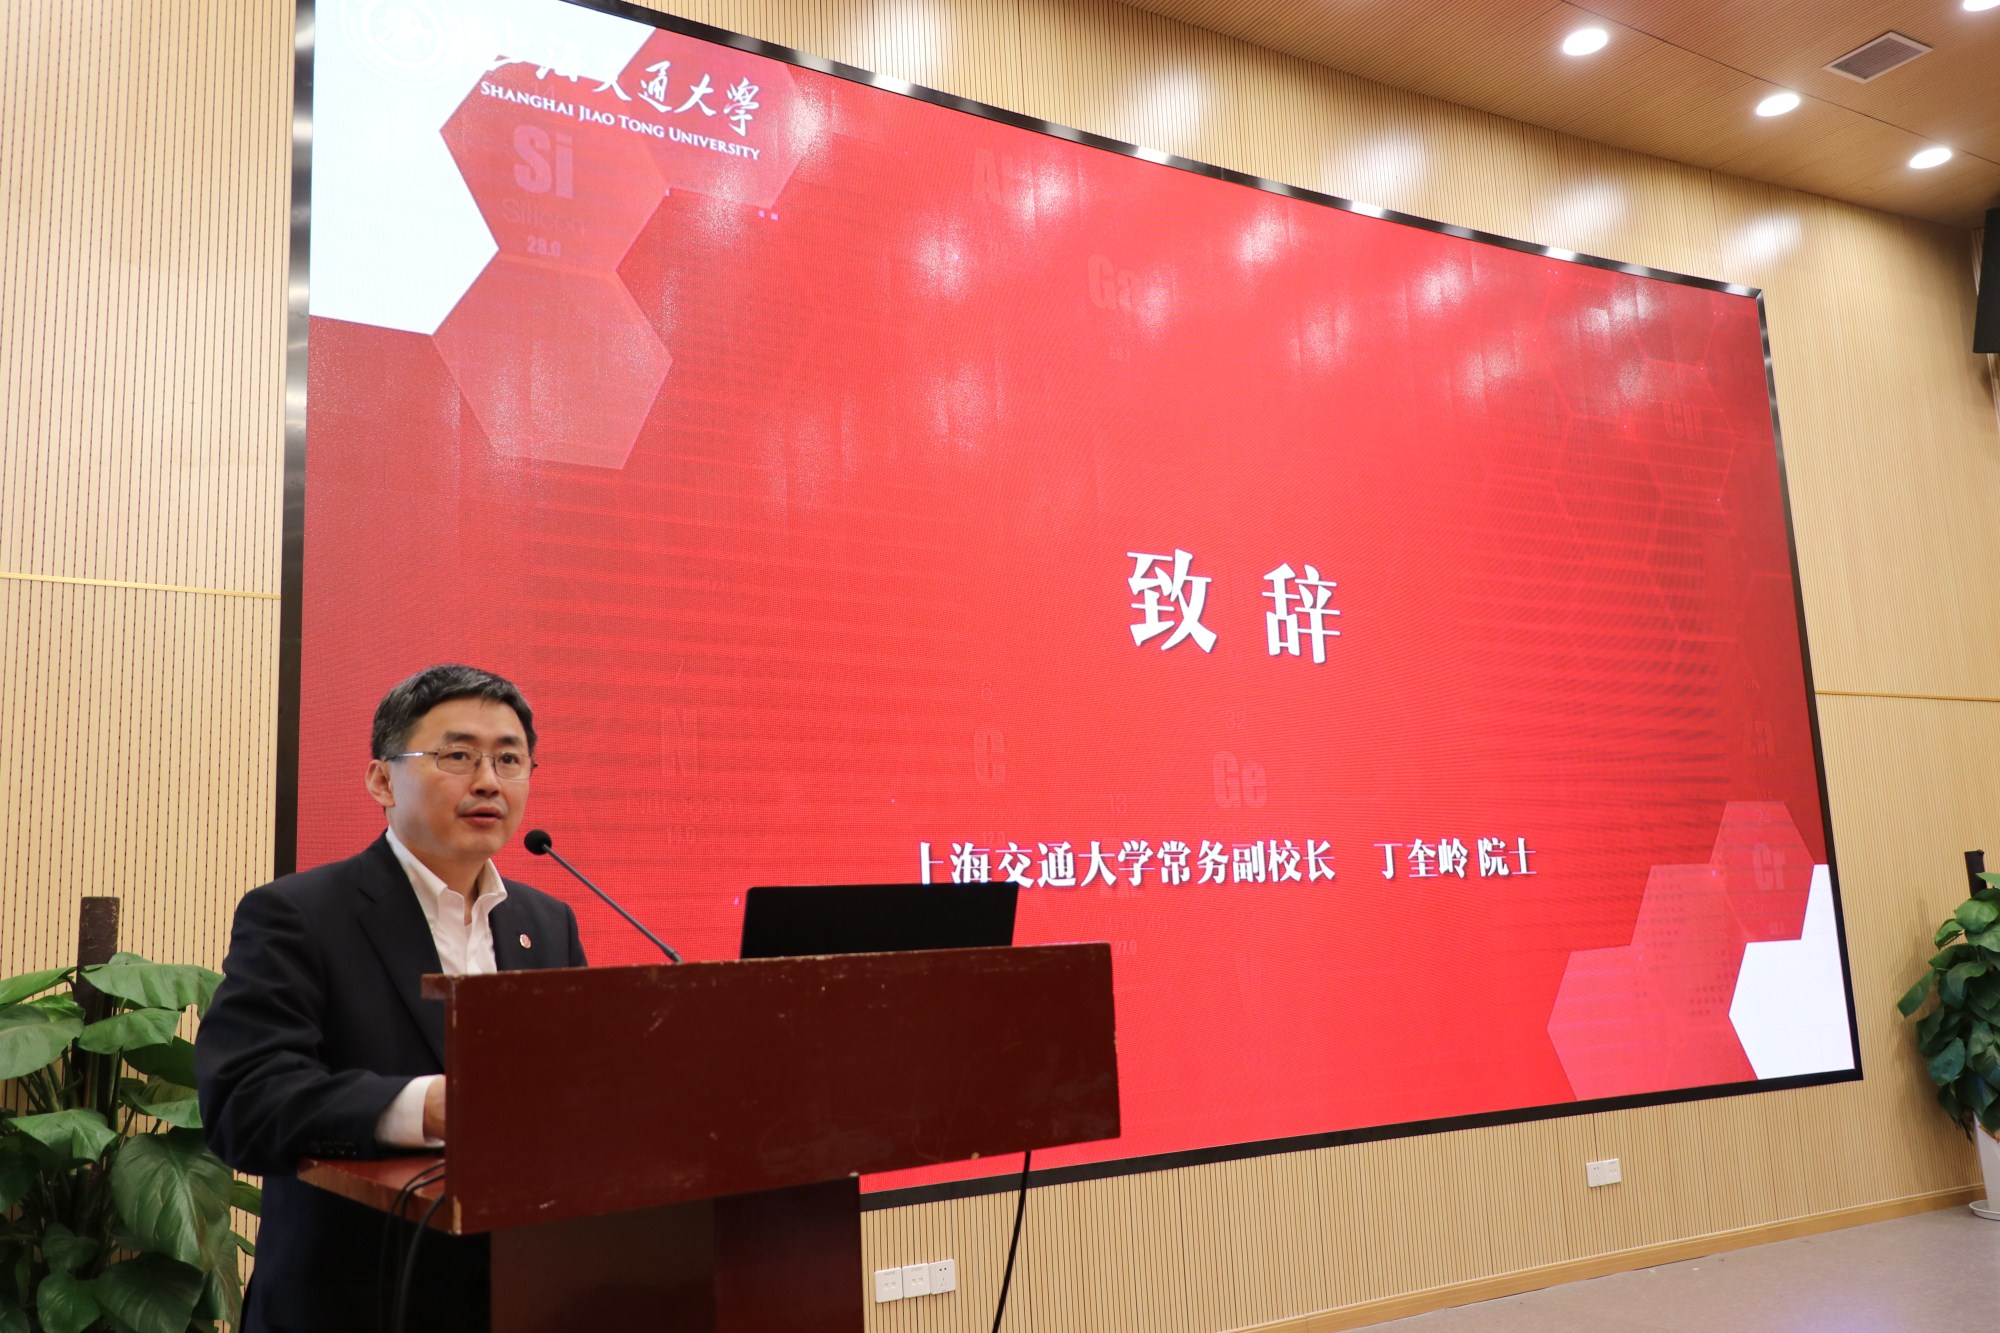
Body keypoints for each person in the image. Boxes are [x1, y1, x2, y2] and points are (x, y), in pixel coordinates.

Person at [196, 665, 586, 1333]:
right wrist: (426, 1106)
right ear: (381, 780)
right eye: (458, 756)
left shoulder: (547, 922)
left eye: (509, 759)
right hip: (355, 1303)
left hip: (520, 1296)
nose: (488, 781)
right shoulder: (299, 914)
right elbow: (245, 1103)